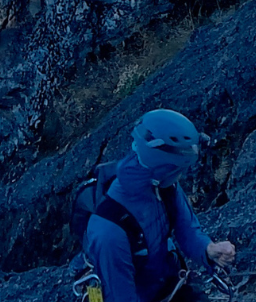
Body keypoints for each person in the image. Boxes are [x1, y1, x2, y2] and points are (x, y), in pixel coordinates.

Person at [84, 109, 238, 302]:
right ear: (162, 166)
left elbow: (187, 229)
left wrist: (208, 249)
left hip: (170, 286)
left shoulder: (162, 184)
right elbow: (121, 297)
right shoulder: (108, 230)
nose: (180, 175)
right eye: (178, 169)